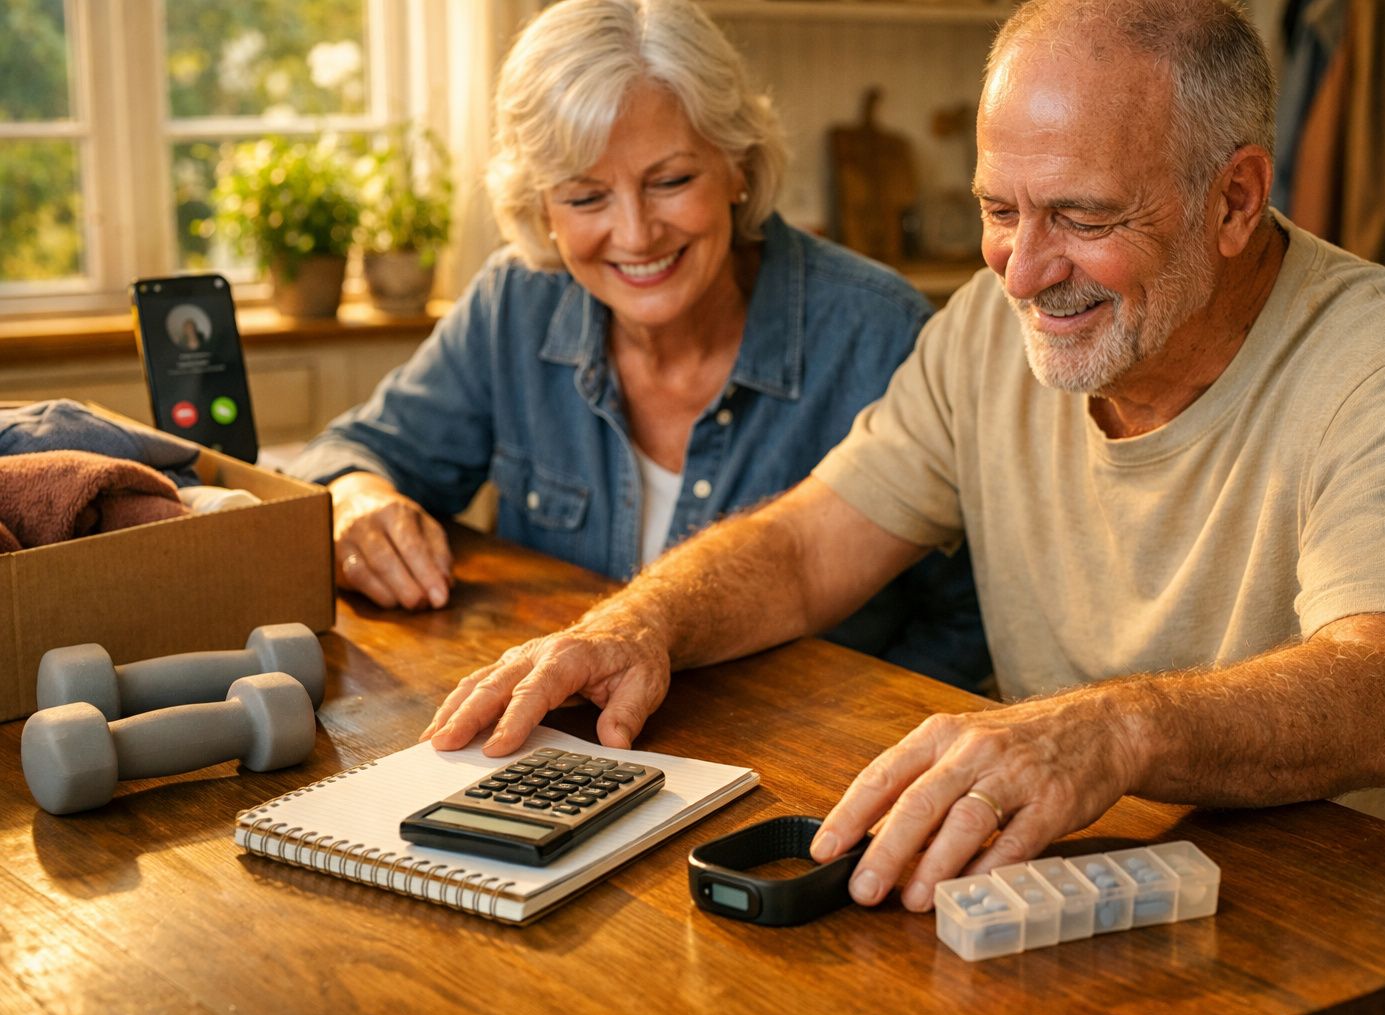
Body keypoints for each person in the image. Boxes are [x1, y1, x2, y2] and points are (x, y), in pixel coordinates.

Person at [424, 0, 1385, 936]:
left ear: (1236, 199)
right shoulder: (986, 330)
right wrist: (640, 627)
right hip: (1079, 915)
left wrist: (1108, 731)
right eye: (999, 210)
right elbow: (812, 542)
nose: (1025, 268)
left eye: (1082, 216)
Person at [289, 0, 990, 690]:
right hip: (561, 749)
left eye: (671, 181)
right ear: (541, 209)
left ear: (738, 166)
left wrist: (834, 739)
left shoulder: (878, 332)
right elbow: (347, 455)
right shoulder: (518, 303)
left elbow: (971, 621)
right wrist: (357, 502)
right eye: (586, 197)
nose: (635, 234)